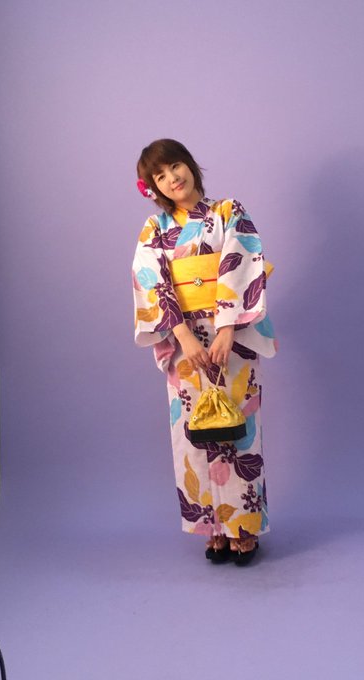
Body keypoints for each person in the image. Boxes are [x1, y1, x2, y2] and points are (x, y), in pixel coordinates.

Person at [132, 139, 277, 565]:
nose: (171, 178)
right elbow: (150, 278)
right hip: (184, 341)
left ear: (190, 165)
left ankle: (244, 527)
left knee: (239, 429)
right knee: (192, 432)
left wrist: (227, 328)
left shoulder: (228, 212)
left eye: (175, 166)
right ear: (153, 186)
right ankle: (213, 527)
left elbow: (242, 263)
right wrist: (183, 336)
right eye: (160, 176)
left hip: (230, 335)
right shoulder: (154, 228)